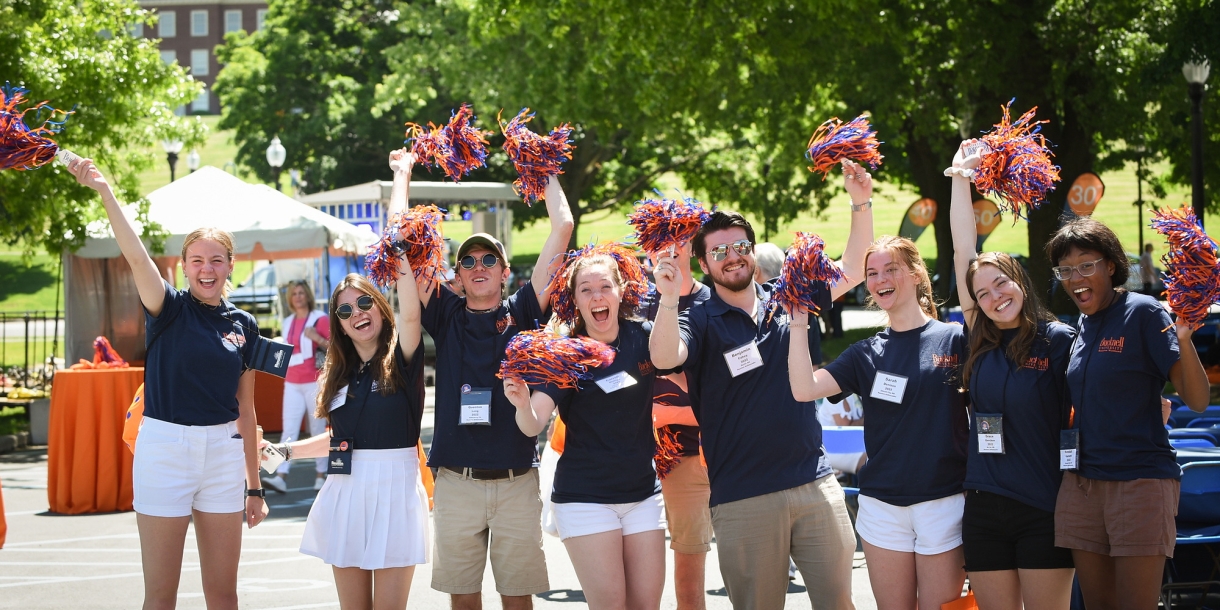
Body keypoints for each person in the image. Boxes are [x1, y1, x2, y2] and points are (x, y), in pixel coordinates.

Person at [650, 159, 875, 610]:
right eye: (719, 251)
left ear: (752, 250)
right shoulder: (698, 317)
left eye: (740, 246)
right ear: (703, 261)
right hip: (743, 498)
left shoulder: (790, 297)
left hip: (814, 484)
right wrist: (669, 299)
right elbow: (663, 357)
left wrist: (860, 202)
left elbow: (852, 267)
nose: (732, 256)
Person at [69, 157, 269, 609]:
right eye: (197, 260)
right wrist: (105, 191)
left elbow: (248, 410)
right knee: (161, 595)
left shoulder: (245, 325)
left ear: (230, 265)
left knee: (223, 594)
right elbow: (136, 254)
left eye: (216, 259)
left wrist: (253, 486)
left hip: (222, 455)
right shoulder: (168, 306)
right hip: (164, 450)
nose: (207, 268)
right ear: (183, 266)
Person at [417, 166, 573, 609]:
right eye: (467, 261)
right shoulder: (445, 314)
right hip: (456, 482)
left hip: (515, 481)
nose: (478, 266)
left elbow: (563, 227)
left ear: (504, 272)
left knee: (516, 599)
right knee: (463, 600)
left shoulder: (522, 311)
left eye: (488, 260)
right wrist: (403, 176)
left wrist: (542, 166)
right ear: (457, 274)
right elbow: (406, 245)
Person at [787, 235, 970, 610]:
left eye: (891, 269)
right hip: (882, 507)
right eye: (872, 272)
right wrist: (799, 323)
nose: (880, 278)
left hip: (944, 501)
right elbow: (804, 388)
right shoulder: (865, 353)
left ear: (917, 274)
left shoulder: (955, 339)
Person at [1047, 217, 1209, 610]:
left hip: (1139, 483)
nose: (1075, 277)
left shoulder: (1144, 312)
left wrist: (1184, 341)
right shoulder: (1081, 326)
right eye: (1065, 270)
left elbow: (1198, 399)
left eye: (1086, 265)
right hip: (1082, 484)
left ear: (1111, 266)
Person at [948, 140, 1075, 609]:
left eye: (1000, 282)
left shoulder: (1058, 340)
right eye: (981, 292)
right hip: (983, 508)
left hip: (1043, 505)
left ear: (1019, 281)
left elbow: (1093, 396)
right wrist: (961, 179)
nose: (994, 295)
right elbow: (965, 248)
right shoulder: (978, 335)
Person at [504, 249, 668, 610]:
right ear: (574, 299)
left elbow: (679, 359)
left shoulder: (644, 336)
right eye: (586, 289)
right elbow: (532, 423)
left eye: (605, 286)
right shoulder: (565, 354)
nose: (597, 296)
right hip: (585, 499)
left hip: (643, 494)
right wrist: (521, 402)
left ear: (621, 290)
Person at [643, 242, 713, 610]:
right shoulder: (634, 304)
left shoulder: (714, 304)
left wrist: (672, 415)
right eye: (658, 240)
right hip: (647, 460)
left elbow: (734, 392)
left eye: (679, 238)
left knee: (695, 578)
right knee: (656, 576)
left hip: (702, 454)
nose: (669, 248)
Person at [264, 280, 331, 493]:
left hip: (314, 380)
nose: (298, 296)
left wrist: (317, 338)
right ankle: (281, 475)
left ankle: (322, 474)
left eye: (302, 292)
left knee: (317, 429)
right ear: (290, 298)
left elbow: (337, 347)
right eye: (295, 293)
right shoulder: (287, 321)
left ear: (308, 295)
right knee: (289, 430)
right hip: (291, 381)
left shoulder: (320, 319)